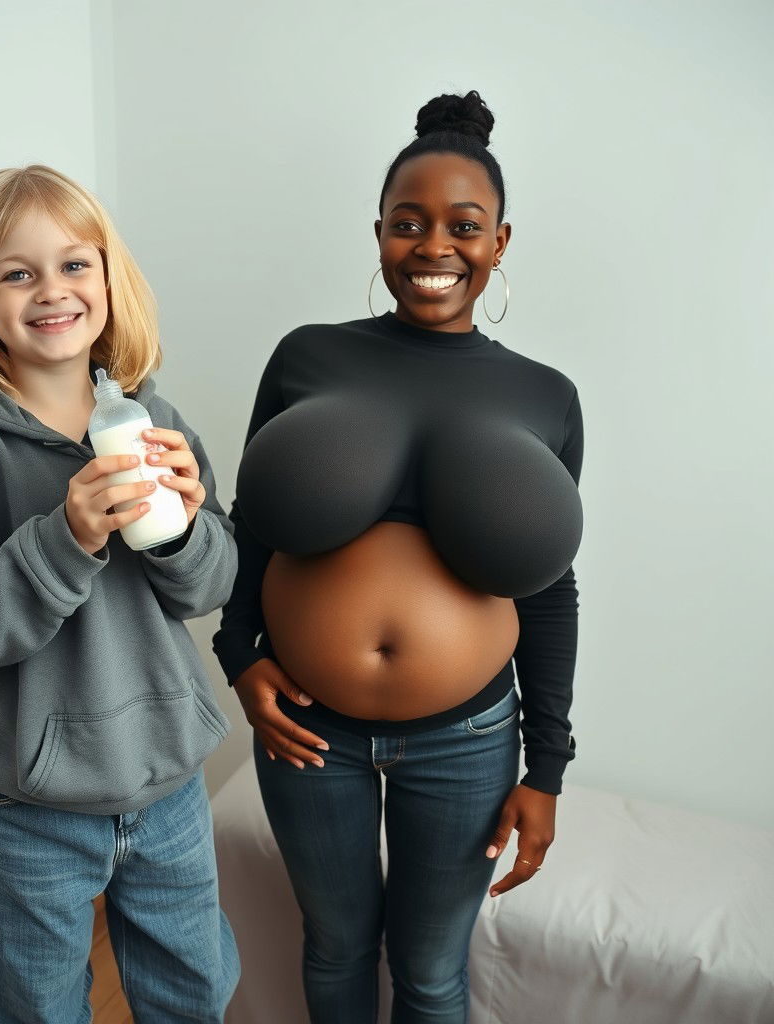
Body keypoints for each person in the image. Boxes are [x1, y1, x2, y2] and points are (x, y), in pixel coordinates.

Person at [212, 91, 584, 1023]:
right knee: (334, 948)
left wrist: (547, 769)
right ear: (378, 232)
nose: (433, 247)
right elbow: (251, 525)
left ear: (500, 242)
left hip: (467, 740)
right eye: (408, 223)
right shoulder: (307, 356)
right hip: (308, 727)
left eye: (465, 226)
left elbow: (547, 588)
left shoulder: (546, 397)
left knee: (428, 973)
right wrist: (241, 657)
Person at [0, 164, 240, 1023]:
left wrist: (192, 527)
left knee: (194, 991)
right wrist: (67, 536)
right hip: (34, 808)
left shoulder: (151, 419)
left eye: (74, 264)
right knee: (32, 1007)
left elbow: (212, 583)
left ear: (108, 281)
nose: (52, 289)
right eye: (17, 272)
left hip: (166, 787)